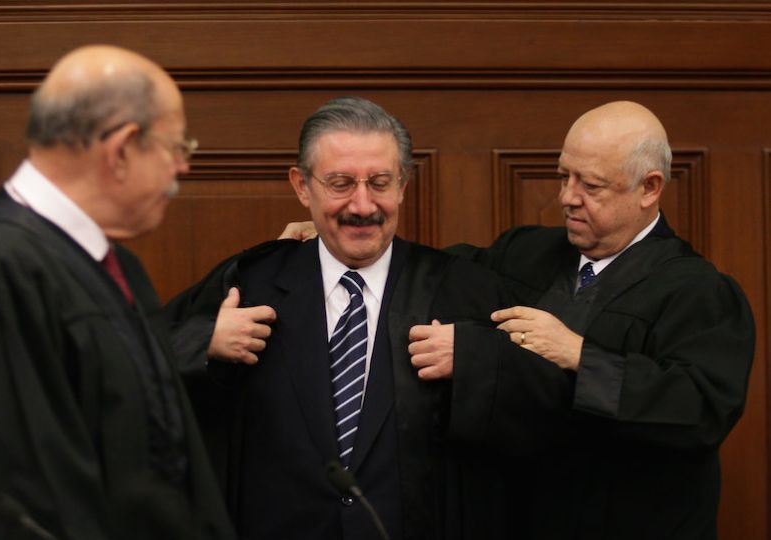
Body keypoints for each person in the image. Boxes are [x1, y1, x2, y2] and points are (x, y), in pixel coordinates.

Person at [278, 101, 755, 539]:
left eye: (590, 186)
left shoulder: (697, 291)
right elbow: (433, 274)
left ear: (649, 188)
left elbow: (701, 411)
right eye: (564, 176)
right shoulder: (527, 253)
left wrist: (579, 354)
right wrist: (346, 235)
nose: (567, 197)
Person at [163, 97, 571, 540]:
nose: (362, 206)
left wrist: (477, 359)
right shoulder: (249, 284)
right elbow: (131, 366)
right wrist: (203, 341)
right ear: (302, 186)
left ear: (403, 185)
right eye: (340, 184)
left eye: (379, 183)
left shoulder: (461, 289)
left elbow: (550, 412)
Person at [0, 45, 235, 540]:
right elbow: (21, 500)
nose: (182, 167)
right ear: (122, 149)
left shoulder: (114, 265)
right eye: (176, 147)